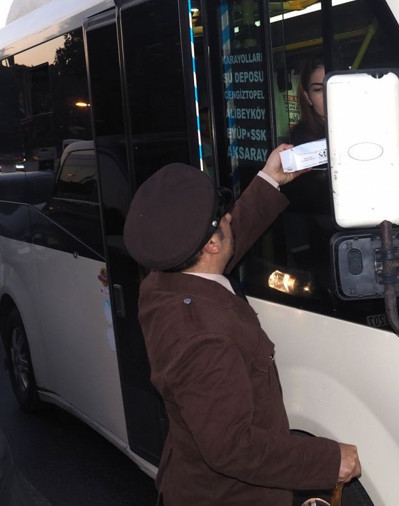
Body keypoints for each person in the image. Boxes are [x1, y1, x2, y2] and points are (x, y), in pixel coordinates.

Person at [122, 146, 361, 505]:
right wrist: (328, 461)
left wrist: (270, 179)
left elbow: (228, 238)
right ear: (210, 245)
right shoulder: (201, 336)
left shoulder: (163, 283)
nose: (231, 217)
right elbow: (232, 447)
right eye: (223, 218)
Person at [290, 56, 326, 144]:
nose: (328, 94)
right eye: (318, 89)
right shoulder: (299, 143)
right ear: (308, 97)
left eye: (333, 85)